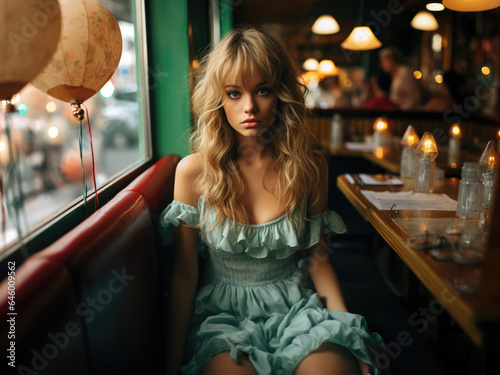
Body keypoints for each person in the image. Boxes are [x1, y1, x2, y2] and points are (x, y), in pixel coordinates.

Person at [161, 27, 385, 375]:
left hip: (297, 309)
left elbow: (318, 261)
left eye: (263, 90)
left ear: (281, 94)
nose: (249, 106)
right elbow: (185, 275)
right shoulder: (193, 173)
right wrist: (170, 366)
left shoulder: (310, 167)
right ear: (218, 98)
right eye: (234, 93)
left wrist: (349, 329)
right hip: (223, 317)